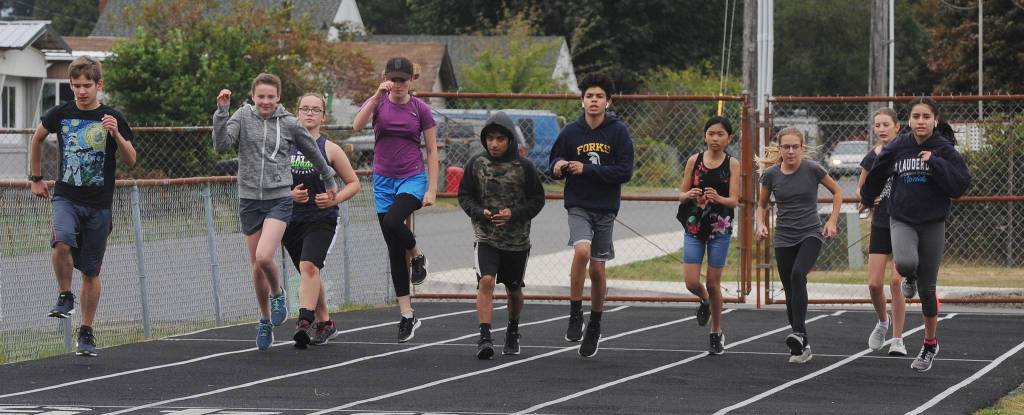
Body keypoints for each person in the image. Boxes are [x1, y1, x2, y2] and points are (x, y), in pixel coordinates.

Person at [213, 73, 337, 351]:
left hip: (279, 198)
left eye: (271, 97)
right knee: (256, 268)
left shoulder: (290, 123)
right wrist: (221, 112)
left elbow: (313, 151)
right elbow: (221, 144)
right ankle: (265, 320)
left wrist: (328, 178)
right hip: (249, 200)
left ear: (278, 97)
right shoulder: (243, 117)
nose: (266, 101)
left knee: (264, 256)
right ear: (253, 96)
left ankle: (278, 294)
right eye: (261, 97)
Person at [28, 56, 137, 357]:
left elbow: (131, 160)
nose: (81, 91)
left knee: (91, 270)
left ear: (99, 85)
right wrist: (36, 178)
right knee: (61, 242)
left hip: (99, 204)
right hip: (67, 197)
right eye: (75, 86)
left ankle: (86, 331)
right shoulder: (61, 113)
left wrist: (116, 133)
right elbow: (37, 139)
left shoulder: (111, 117)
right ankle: (65, 295)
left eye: (87, 86)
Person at [861, 97, 971, 372]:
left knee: (928, 290)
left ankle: (929, 344)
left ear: (935, 120)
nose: (920, 121)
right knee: (906, 263)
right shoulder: (900, 145)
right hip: (902, 218)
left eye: (926, 116)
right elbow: (879, 169)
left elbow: (959, 185)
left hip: (933, 221)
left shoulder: (943, 149)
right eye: (916, 116)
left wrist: (934, 162)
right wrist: (867, 196)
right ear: (908, 121)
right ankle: (909, 274)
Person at [351, 57, 439, 343]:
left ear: (412, 80)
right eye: (393, 79)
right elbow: (356, 125)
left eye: (403, 80)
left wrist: (432, 189)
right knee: (392, 246)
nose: (398, 85)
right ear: (385, 78)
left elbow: (432, 151)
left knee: (393, 221)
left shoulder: (420, 109)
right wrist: (377, 96)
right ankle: (407, 315)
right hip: (383, 180)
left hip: (412, 178)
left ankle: (417, 254)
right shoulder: (378, 102)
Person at [550, 73, 635, 358]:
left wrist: (587, 169)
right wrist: (560, 165)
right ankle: (576, 312)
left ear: (608, 101)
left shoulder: (618, 132)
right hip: (578, 204)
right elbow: (553, 161)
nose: (594, 101)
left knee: (598, 269)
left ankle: (595, 323)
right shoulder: (571, 132)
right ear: (582, 99)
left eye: (599, 96)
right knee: (581, 252)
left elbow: (624, 171)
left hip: (606, 208)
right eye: (589, 96)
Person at [458, 111, 546, 359]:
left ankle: (513, 330)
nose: (494, 144)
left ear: (510, 141)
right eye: (490, 139)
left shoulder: (524, 167)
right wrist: (479, 212)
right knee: (486, 281)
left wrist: (514, 214)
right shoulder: (476, 164)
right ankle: (485, 337)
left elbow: (537, 200)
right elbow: (465, 195)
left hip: (516, 241)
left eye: (500, 139)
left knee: (514, 289)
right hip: (486, 237)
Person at [756, 127, 842, 364]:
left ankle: (799, 334)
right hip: (784, 237)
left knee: (797, 275)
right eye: (786, 147)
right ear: (780, 148)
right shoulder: (771, 175)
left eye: (795, 147)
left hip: (810, 233)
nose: (791, 151)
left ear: (802, 148)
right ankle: (801, 345)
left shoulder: (813, 169)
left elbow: (837, 192)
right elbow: (761, 205)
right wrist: (761, 225)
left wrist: (832, 221)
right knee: (791, 291)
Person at [284, 93, 361, 348]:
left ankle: (303, 323)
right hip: (291, 220)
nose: (309, 113)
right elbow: (269, 185)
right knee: (310, 273)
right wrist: (289, 194)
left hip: (321, 219)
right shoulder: (285, 146)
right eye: (304, 108)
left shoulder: (329, 148)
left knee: (309, 267)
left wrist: (334, 199)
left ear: (323, 116)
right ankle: (326, 323)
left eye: (315, 110)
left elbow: (354, 184)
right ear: (297, 112)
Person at [678, 116, 740, 355]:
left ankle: (716, 331)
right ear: (705, 136)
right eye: (711, 133)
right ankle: (703, 300)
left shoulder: (732, 164)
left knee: (714, 283)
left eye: (720, 134)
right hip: (694, 225)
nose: (715, 138)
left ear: (728, 138)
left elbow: (734, 200)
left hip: (720, 226)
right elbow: (681, 194)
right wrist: (690, 194)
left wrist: (718, 198)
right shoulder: (694, 160)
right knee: (692, 282)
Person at [857, 107, 907, 356]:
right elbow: (861, 189)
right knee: (874, 284)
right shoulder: (872, 156)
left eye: (886, 124)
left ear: (897, 127)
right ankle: (882, 322)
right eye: (878, 125)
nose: (882, 129)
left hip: (904, 223)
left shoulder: (906, 153)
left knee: (896, 282)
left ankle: (898, 339)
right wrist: (868, 198)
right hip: (881, 223)